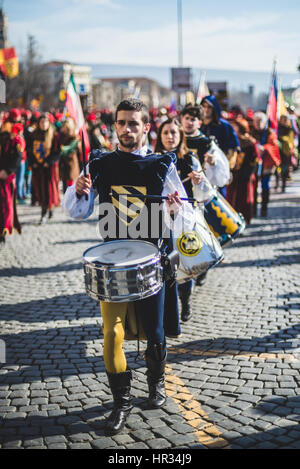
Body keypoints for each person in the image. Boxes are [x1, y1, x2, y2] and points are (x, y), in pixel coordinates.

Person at [63, 99, 195, 435]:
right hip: (112, 264)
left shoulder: (161, 165)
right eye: (122, 123)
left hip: (152, 261)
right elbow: (77, 211)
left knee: (155, 333)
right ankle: (120, 404)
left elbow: (185, 218)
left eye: (134, 123)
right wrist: (78, 191)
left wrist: (175, 210)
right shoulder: (99, 164)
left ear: (146, 127)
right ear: (115, 125)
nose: (127, 129)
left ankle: (156, 384)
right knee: (112, 334)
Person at [155, 117, 214, 321]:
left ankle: (185, 301)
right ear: (159, 136)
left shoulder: (189, 159)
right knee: (166, 264)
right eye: (166, 133)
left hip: (185, 220)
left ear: (180, 136)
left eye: (174, 132)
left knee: (185, 262)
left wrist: (199, 182)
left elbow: (205, 193)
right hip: (161, 220)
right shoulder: (152, 159)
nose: (170, 136)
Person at [200, 95, 240, 197]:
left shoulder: (224, 126)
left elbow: (232, 149)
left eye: (209, 107)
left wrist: (226, 169)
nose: (206, 110)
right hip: (200, 171)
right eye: (204, 106)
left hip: (218, 169)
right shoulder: (198, 126)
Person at [27, 114, 60, 224]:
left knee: (49, 190)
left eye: (45, 122)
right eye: (41, 122)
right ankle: (45, 209)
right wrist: (33, 163)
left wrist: (48, 162)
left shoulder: (54, 135)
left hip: (49, 168)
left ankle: (47, 210)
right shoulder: (34, 135)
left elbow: (57, 152)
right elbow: (30, 150)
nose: (44, 124)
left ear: (49, 123)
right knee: (40, 191)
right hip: (38, 168)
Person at [226, 119, 258, 225]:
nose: (233, 128)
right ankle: (232, 220)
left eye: (235, 126)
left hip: (245, 176)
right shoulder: (231, 140)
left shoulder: (249, 142)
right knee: (231, 198)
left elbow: (254, 159)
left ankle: (245, 218)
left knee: (244, 198)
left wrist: (246, 173)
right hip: (234, 174)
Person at [251, 112, 281, 217]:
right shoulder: (251, 132)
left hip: (266, 164)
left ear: (265, 122)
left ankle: (264, 209)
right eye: (256, 121)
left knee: (265, 186)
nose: (258, 124)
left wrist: (265, 148)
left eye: (260, 121)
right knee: (253, 187)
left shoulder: (270, 133)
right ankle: (253, 210)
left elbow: (273, 146)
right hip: (254, 164)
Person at [0, 124, 23, 245]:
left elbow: (18, 157)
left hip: (6, 178)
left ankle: (2, 232)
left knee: (5, 205)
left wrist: (7, 171)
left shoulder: (13, 140)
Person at [58, 117, 81, 193]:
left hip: (71, 162)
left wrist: (62, 148)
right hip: (63, 163)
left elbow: (71, 148)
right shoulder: (61, 135)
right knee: (64, 183)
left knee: (70, 184)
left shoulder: (74, 137)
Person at [277, 115, 295, 193]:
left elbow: (290, 140)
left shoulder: (290, 129)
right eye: (282, 120)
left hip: (286, 152)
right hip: (278, 151)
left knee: (285, 169)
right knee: (277, 169)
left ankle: (283, 185)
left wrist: (281, 138)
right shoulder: (277, 128)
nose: (284, 121)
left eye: (285, 120)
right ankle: (277, 183)